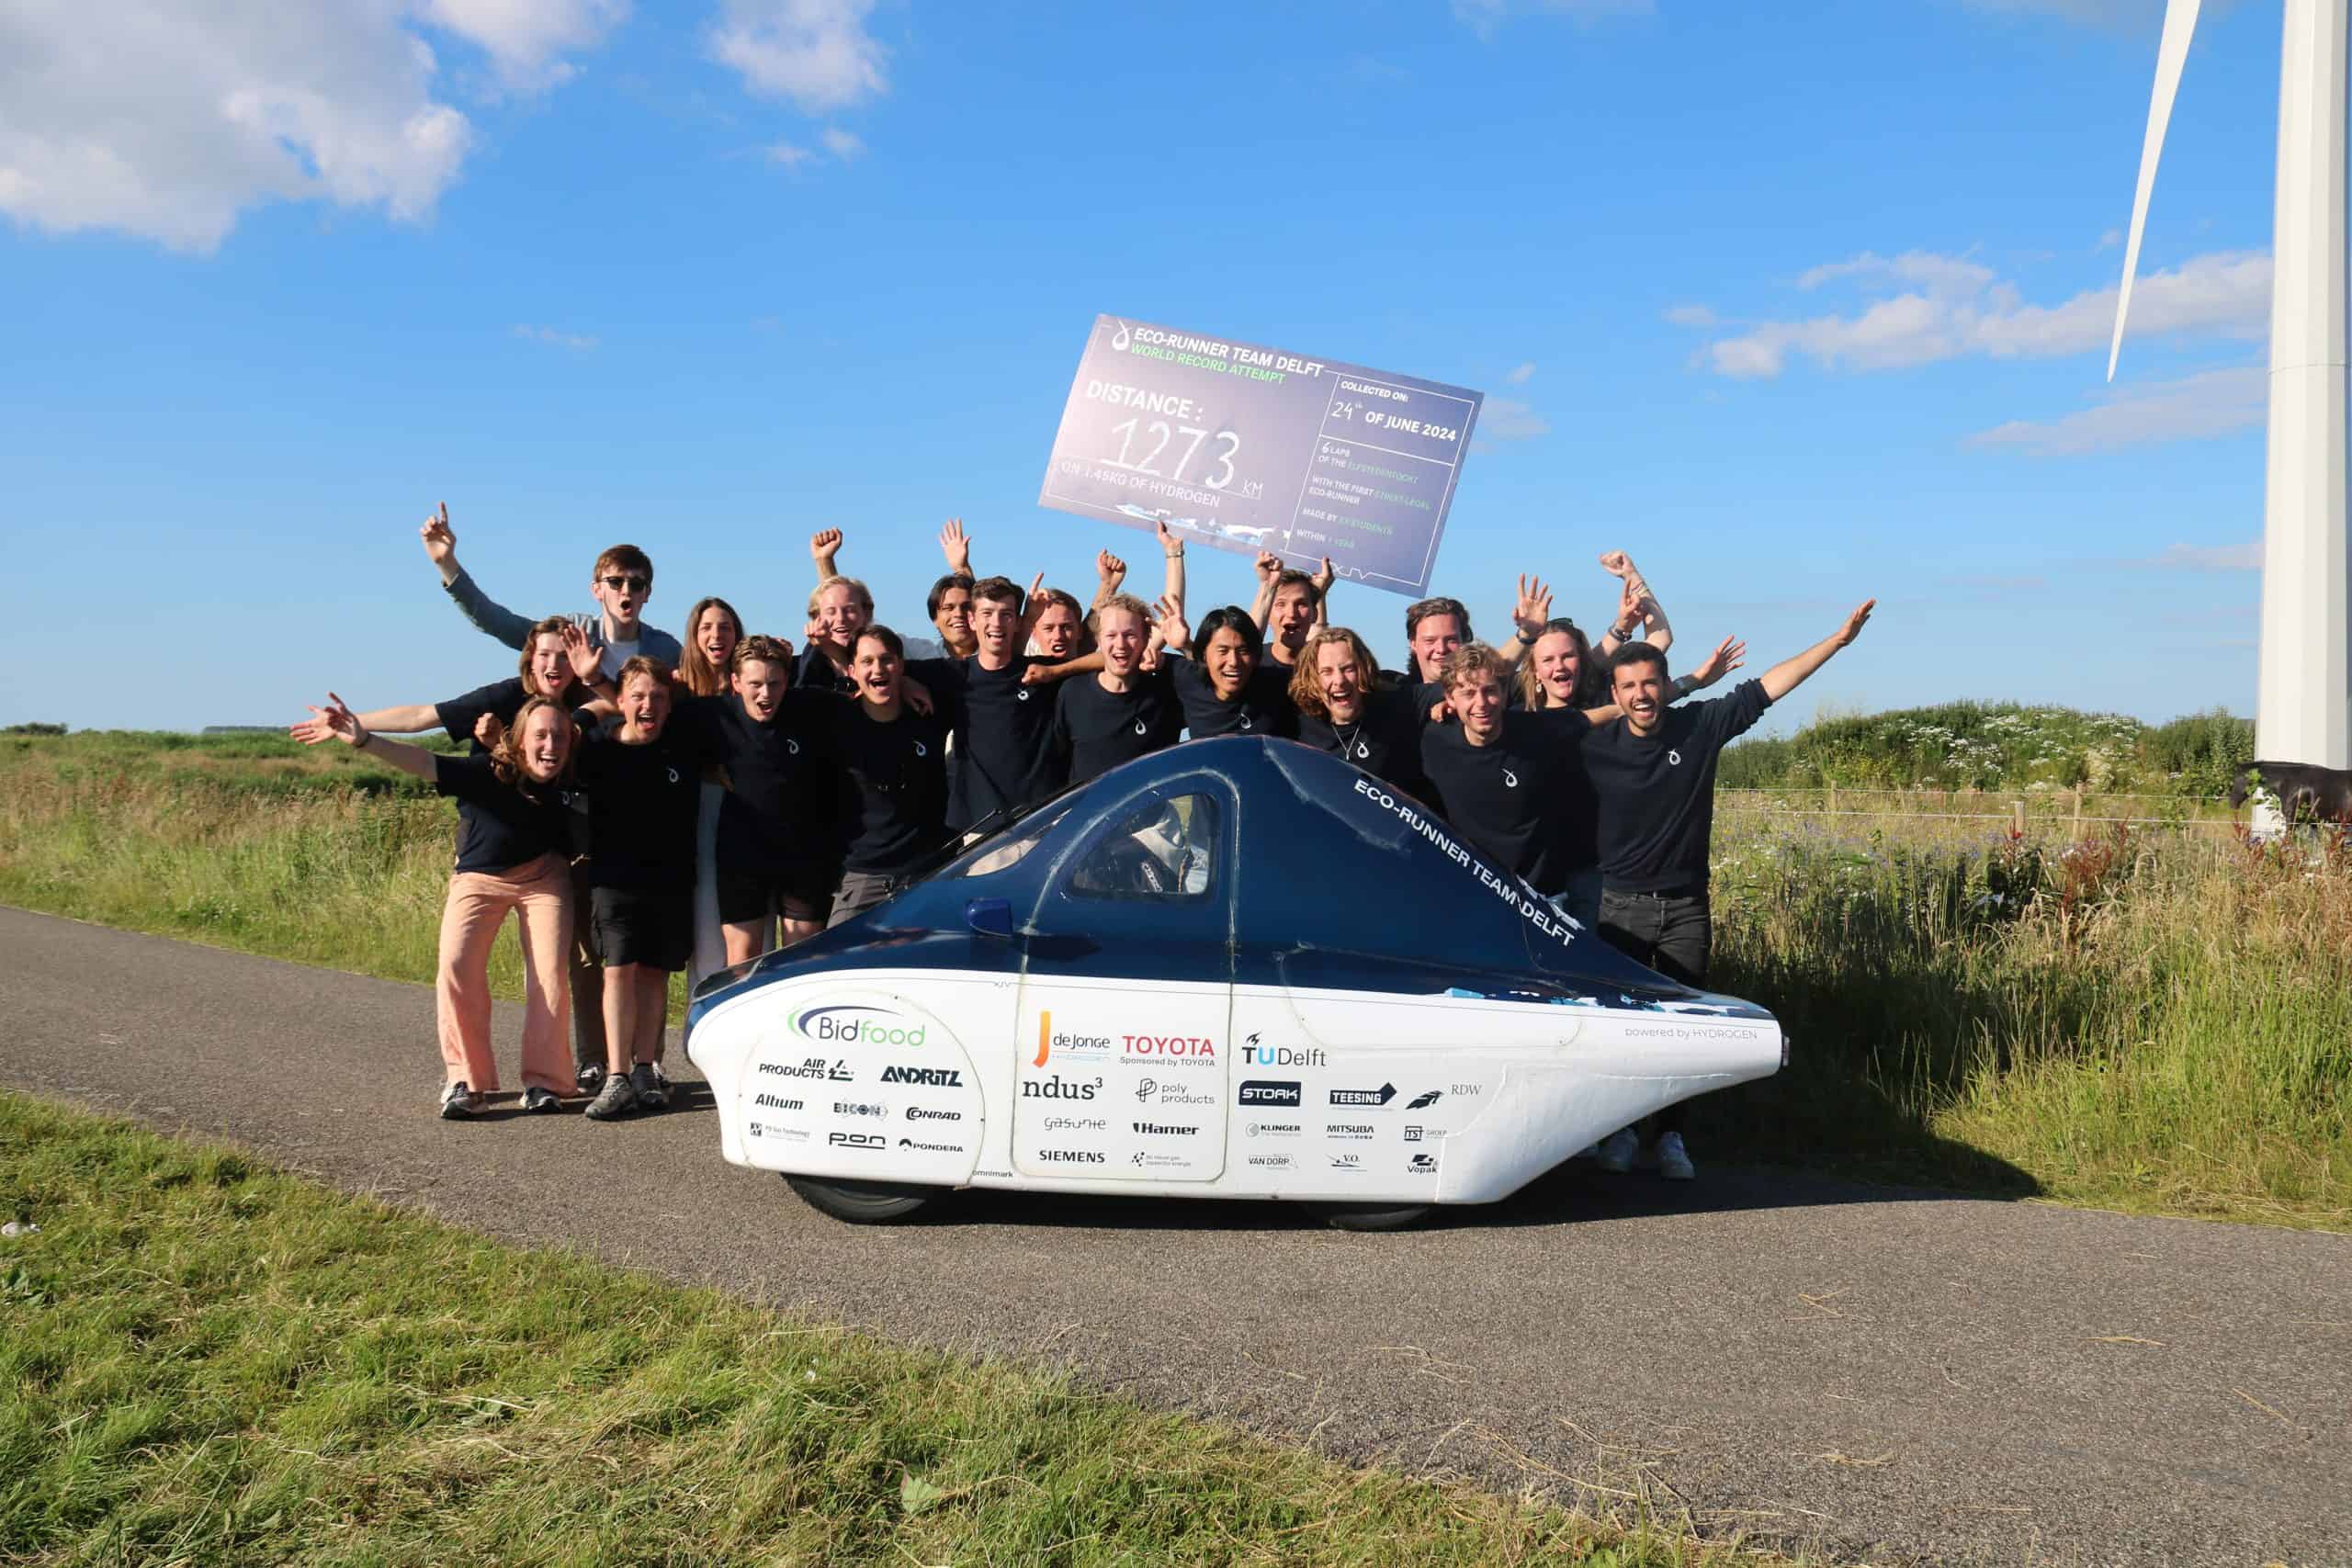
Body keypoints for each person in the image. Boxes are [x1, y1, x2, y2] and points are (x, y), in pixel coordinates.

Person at [1583, 600, 1876, 1181]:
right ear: (1614, 694)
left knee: (1685, 1029)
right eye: (1629, 686)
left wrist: (1837, 641)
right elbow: (1532, 730)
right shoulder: (1593, 746)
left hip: (1686, 909)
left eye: (1650, 683)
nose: (1641, 695)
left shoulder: (1699, 727)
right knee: (1621, 1028)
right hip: (1618, 909)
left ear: (1667, 686)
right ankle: (1619, 1130)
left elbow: (1769, 686)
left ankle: (1670, 1135)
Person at [303, 692, 582, 1119]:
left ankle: (545, 1082)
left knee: (549, 976)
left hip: (544, 878)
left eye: (559, 737)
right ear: (521, 739)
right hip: (479, 878)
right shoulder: (488, 771)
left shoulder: (574, 778)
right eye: (540, 736)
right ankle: (466, 1081)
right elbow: (424, 762)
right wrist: (364, 740)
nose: (550, 746)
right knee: (456, 965)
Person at [568, 656, 716, 1121]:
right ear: (620, 701)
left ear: (669, 704)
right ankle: (616, 1075)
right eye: (637, 696)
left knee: (655, 975)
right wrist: (591, 705)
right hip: (614, 883)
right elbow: (559, 737)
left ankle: (645, 1070)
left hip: (671, 882)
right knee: (618, 973)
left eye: (657, 697)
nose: (648, 705)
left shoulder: (683, 746)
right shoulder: (597, 749)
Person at [652, 634, 842, 962]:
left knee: (802, 959)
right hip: (742, 854)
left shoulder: (810, 706)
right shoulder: (714, 714)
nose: (765, 694)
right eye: (755, 684)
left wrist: (909, 685)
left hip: (803, 855)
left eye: (774, 683)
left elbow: (868, 699)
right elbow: (644, 710)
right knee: (742, 960)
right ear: (736, 682)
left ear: (787, 681)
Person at [904, 576, 1079, 831]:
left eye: (1006, 614)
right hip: (980, 832)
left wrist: (1057, 671)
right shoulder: (953, 675)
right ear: (972, 620)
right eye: (987, 613)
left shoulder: (1040, 672)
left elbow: (1105, 661)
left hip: (1045, 824)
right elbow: (876, 668)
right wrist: (904, 681)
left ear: (1018, 622)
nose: (996, 623)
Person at [419, 503, 681, 674]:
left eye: (636, 584)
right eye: (615, 582)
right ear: (596, 590)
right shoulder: (571, 632)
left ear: (646, 594)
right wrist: (447, 564)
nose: (626, 591)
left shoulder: (666, 650)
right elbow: (497, 622)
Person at [820, 626, 956, 926]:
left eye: (886, 660)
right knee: (839, 955)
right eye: (867, 661)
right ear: (852, 671)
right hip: (862, 878)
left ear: (902, 666)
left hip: (925, 875)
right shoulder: (835, 721)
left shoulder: (928, 713)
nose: (878, 668)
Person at [1046, 593, 1186, 785]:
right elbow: (1056, 764)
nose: (1120, 644)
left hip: (1153, 805)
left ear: (1146, 639)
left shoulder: (1165, 692)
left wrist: (1185, 648)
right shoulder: (1072, 693)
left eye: (1130, 635)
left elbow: (1213, 690)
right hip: (1090, 805)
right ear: (1098, 639)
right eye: (1111, 635)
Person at [1288, 626, 1434, 797]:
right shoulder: (1299, 725)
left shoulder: (1395, 705)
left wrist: (1447, 703)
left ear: (1364, 669)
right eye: (1326, 672)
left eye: (1348, 669)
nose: (1339, 680)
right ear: (1312, 679)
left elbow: (1449, 689)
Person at [1158, 605, 1297, 739]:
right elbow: (1146, 659)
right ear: (1204, 654)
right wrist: (1156, 651)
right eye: (1223, 651)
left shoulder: (1278, 685)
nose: (1233, 662)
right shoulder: (1186, 679)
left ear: (1255, 655)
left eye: (1242, 651)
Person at [1248, 552, 1334, 673]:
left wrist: (1320, 590)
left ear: (1315, 614)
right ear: (1267, 613)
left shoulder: (1321, 669)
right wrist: (1267, 585)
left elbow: (1318, 644)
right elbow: (1248, 643)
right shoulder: (1251, 663)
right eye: (1281, 604)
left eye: (1301, 604)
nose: (1291, 613)